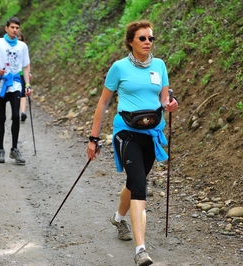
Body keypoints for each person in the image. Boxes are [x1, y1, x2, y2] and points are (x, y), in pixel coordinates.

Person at [86, 20, 179, 266]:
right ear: (130, 41)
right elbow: (103, 103)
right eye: (142, 38)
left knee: (133, 181)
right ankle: (141, 250)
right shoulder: (119, 68)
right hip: (126, 133)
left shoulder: (159, 66)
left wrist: (169, 104)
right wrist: (93, 138)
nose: (148, 42)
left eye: (151, 38)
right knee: (140, 186)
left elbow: (163, 98)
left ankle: (118, 218)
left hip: (152, 133)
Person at [0, 17, 32, 164]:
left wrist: (28, 85)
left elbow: (26, 67)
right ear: (6, 28)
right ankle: (0, 149)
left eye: (17, 28)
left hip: (16, 84)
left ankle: (14, 149)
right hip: (1, 84)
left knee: (16, 116)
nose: (15, 30)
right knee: (1, 117)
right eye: (12, 27)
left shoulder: (22, 46)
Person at [17, 32, 31, 122]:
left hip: (22, 74)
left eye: (20, 39)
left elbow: (27, 63)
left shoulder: (23, 48)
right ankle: (16, 112)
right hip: (13, 76)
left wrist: (29, 73)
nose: (19, 40)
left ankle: (23, 112)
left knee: (22, 95)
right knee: (15, 96)